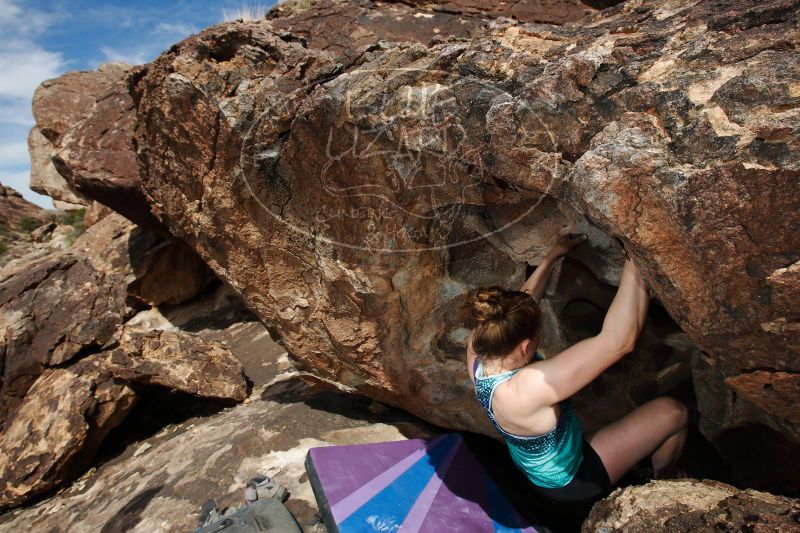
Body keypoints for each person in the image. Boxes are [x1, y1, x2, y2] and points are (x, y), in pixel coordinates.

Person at [465, 226, 689, 529]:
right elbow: (619, 341)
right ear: (526, 346)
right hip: (574, 482)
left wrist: (552, 256)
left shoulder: (479, 350)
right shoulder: (528, 388)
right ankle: (662, 483)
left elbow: (520, 308)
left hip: (538, 469)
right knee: (674, 413)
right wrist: (635, 256)